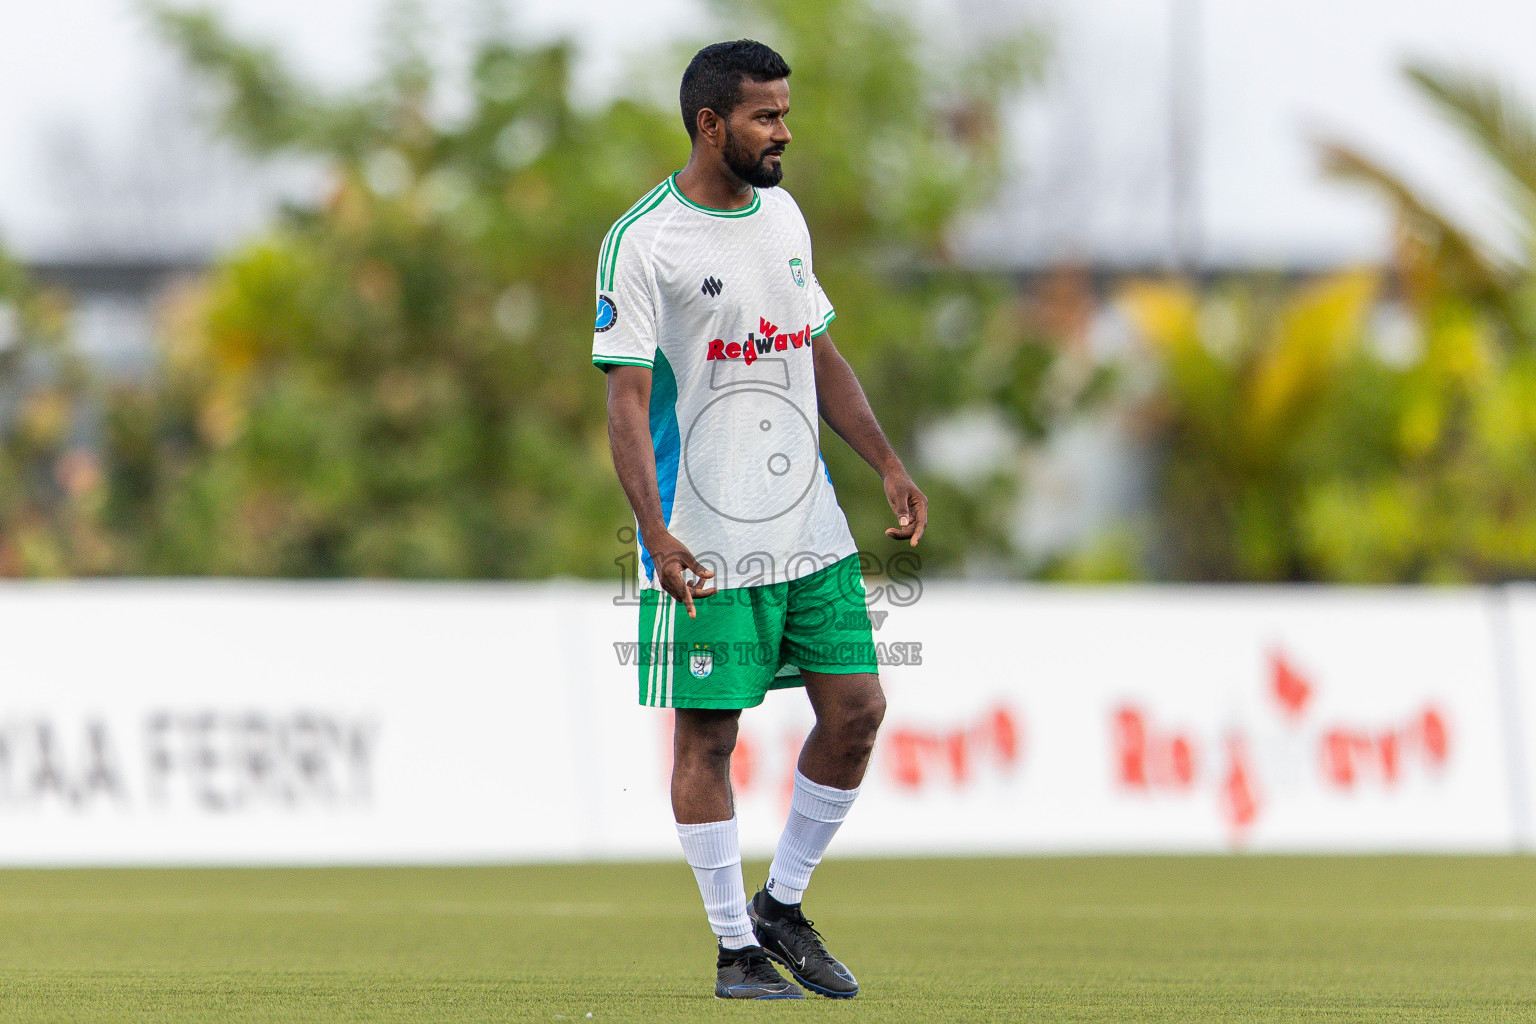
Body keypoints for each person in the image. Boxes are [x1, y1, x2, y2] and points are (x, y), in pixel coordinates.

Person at [592, 38, 928, 1001]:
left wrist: (886, 463)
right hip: (703, 533)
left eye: (786, 112)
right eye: (765, 116)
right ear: (711, 124)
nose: (784, 131)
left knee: (858, 711)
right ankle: (735, 947)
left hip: (808, 525)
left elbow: (818, 351)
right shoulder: (644, 241)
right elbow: (624, 403)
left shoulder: (783, 215)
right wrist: (654, 533)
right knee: (707, 738)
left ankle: (781, 904)